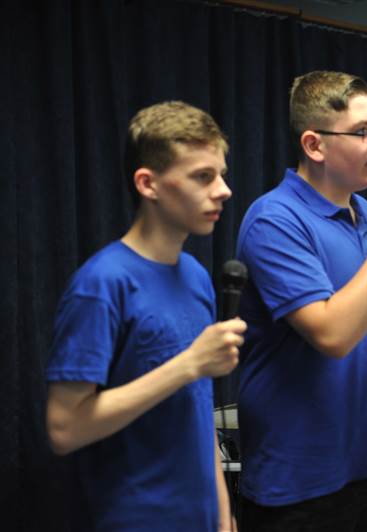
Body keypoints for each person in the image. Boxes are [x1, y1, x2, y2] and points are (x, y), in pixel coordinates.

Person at [235, 70, 367, 532]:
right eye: (361, 131)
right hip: (301, 485)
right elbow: (333, 334)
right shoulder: (274, 220)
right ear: (314, 145)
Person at [45, 101, 246, 531]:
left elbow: (198, 410)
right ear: (147, 184)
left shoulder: (195, 275)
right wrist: (189, 364)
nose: (223, 190)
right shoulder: (102, 284)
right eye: (203, 176)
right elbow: (64, 428)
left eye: (222, 174)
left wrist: (223, 512)